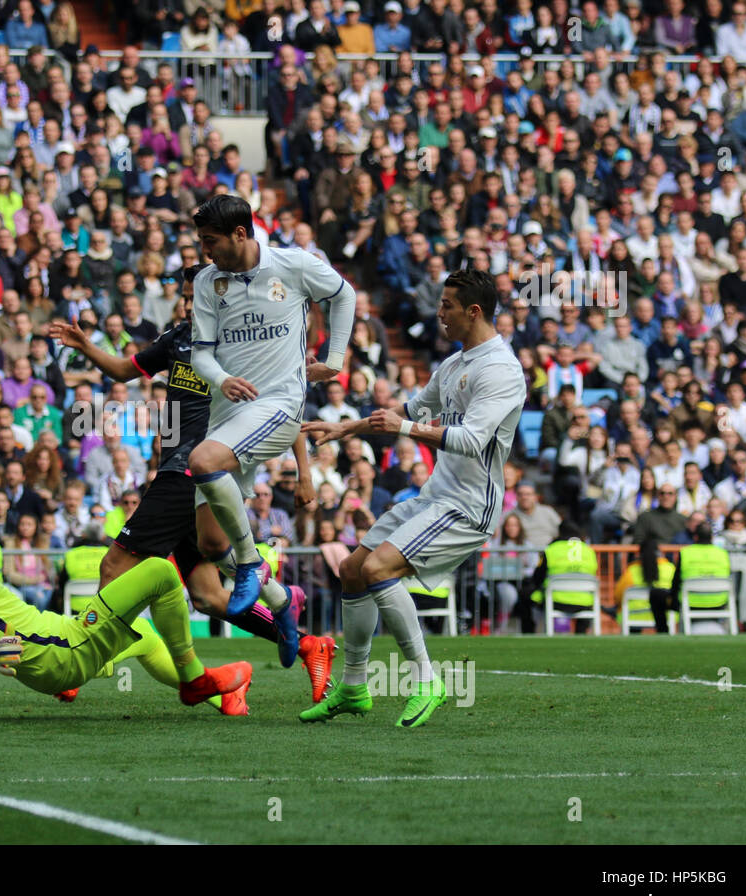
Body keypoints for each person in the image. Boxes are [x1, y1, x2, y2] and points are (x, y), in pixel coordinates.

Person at [50, 265, 337, 701]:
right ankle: (308, 645)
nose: (188, 303)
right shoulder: (179, 338)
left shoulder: (244, 342)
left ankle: (82, 665)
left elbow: (284, 407)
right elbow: (125, 371)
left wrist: (304, 471)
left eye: (194, 294)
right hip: (180, 472)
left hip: (195, 471)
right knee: (206, 596)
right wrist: (87, 346)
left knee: (113, 568)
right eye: (184, 295)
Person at [301, 268, 526, 727]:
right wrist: (345, 428)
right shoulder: (453, 364)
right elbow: (407, 412)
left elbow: (470, 440)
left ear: (474, 311)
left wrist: (403, 429)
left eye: (446, 306)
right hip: (436, 496)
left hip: (467, 505)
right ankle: (354, 688)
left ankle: (427, 679)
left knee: (379, 568)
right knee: (352, 570)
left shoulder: (501, 369)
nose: (439, 313)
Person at [0, 486, 253, 719]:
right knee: (160, 571)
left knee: (142, 631)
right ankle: (193, 678)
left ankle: (223, 698)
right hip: (65, 648)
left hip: (53, 664)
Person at [187, 195, 357, 647]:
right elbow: (201, 353)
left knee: (202, 462)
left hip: (279, 406)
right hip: (228, 416)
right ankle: (284, 601)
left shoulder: (294, 264)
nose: (205, 251)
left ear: (240, 234)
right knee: (208, 545)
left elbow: (345, 294)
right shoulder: (208, 282)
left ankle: (250, 563)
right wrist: (222, 379)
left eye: (210, 241)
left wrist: (334, 360)